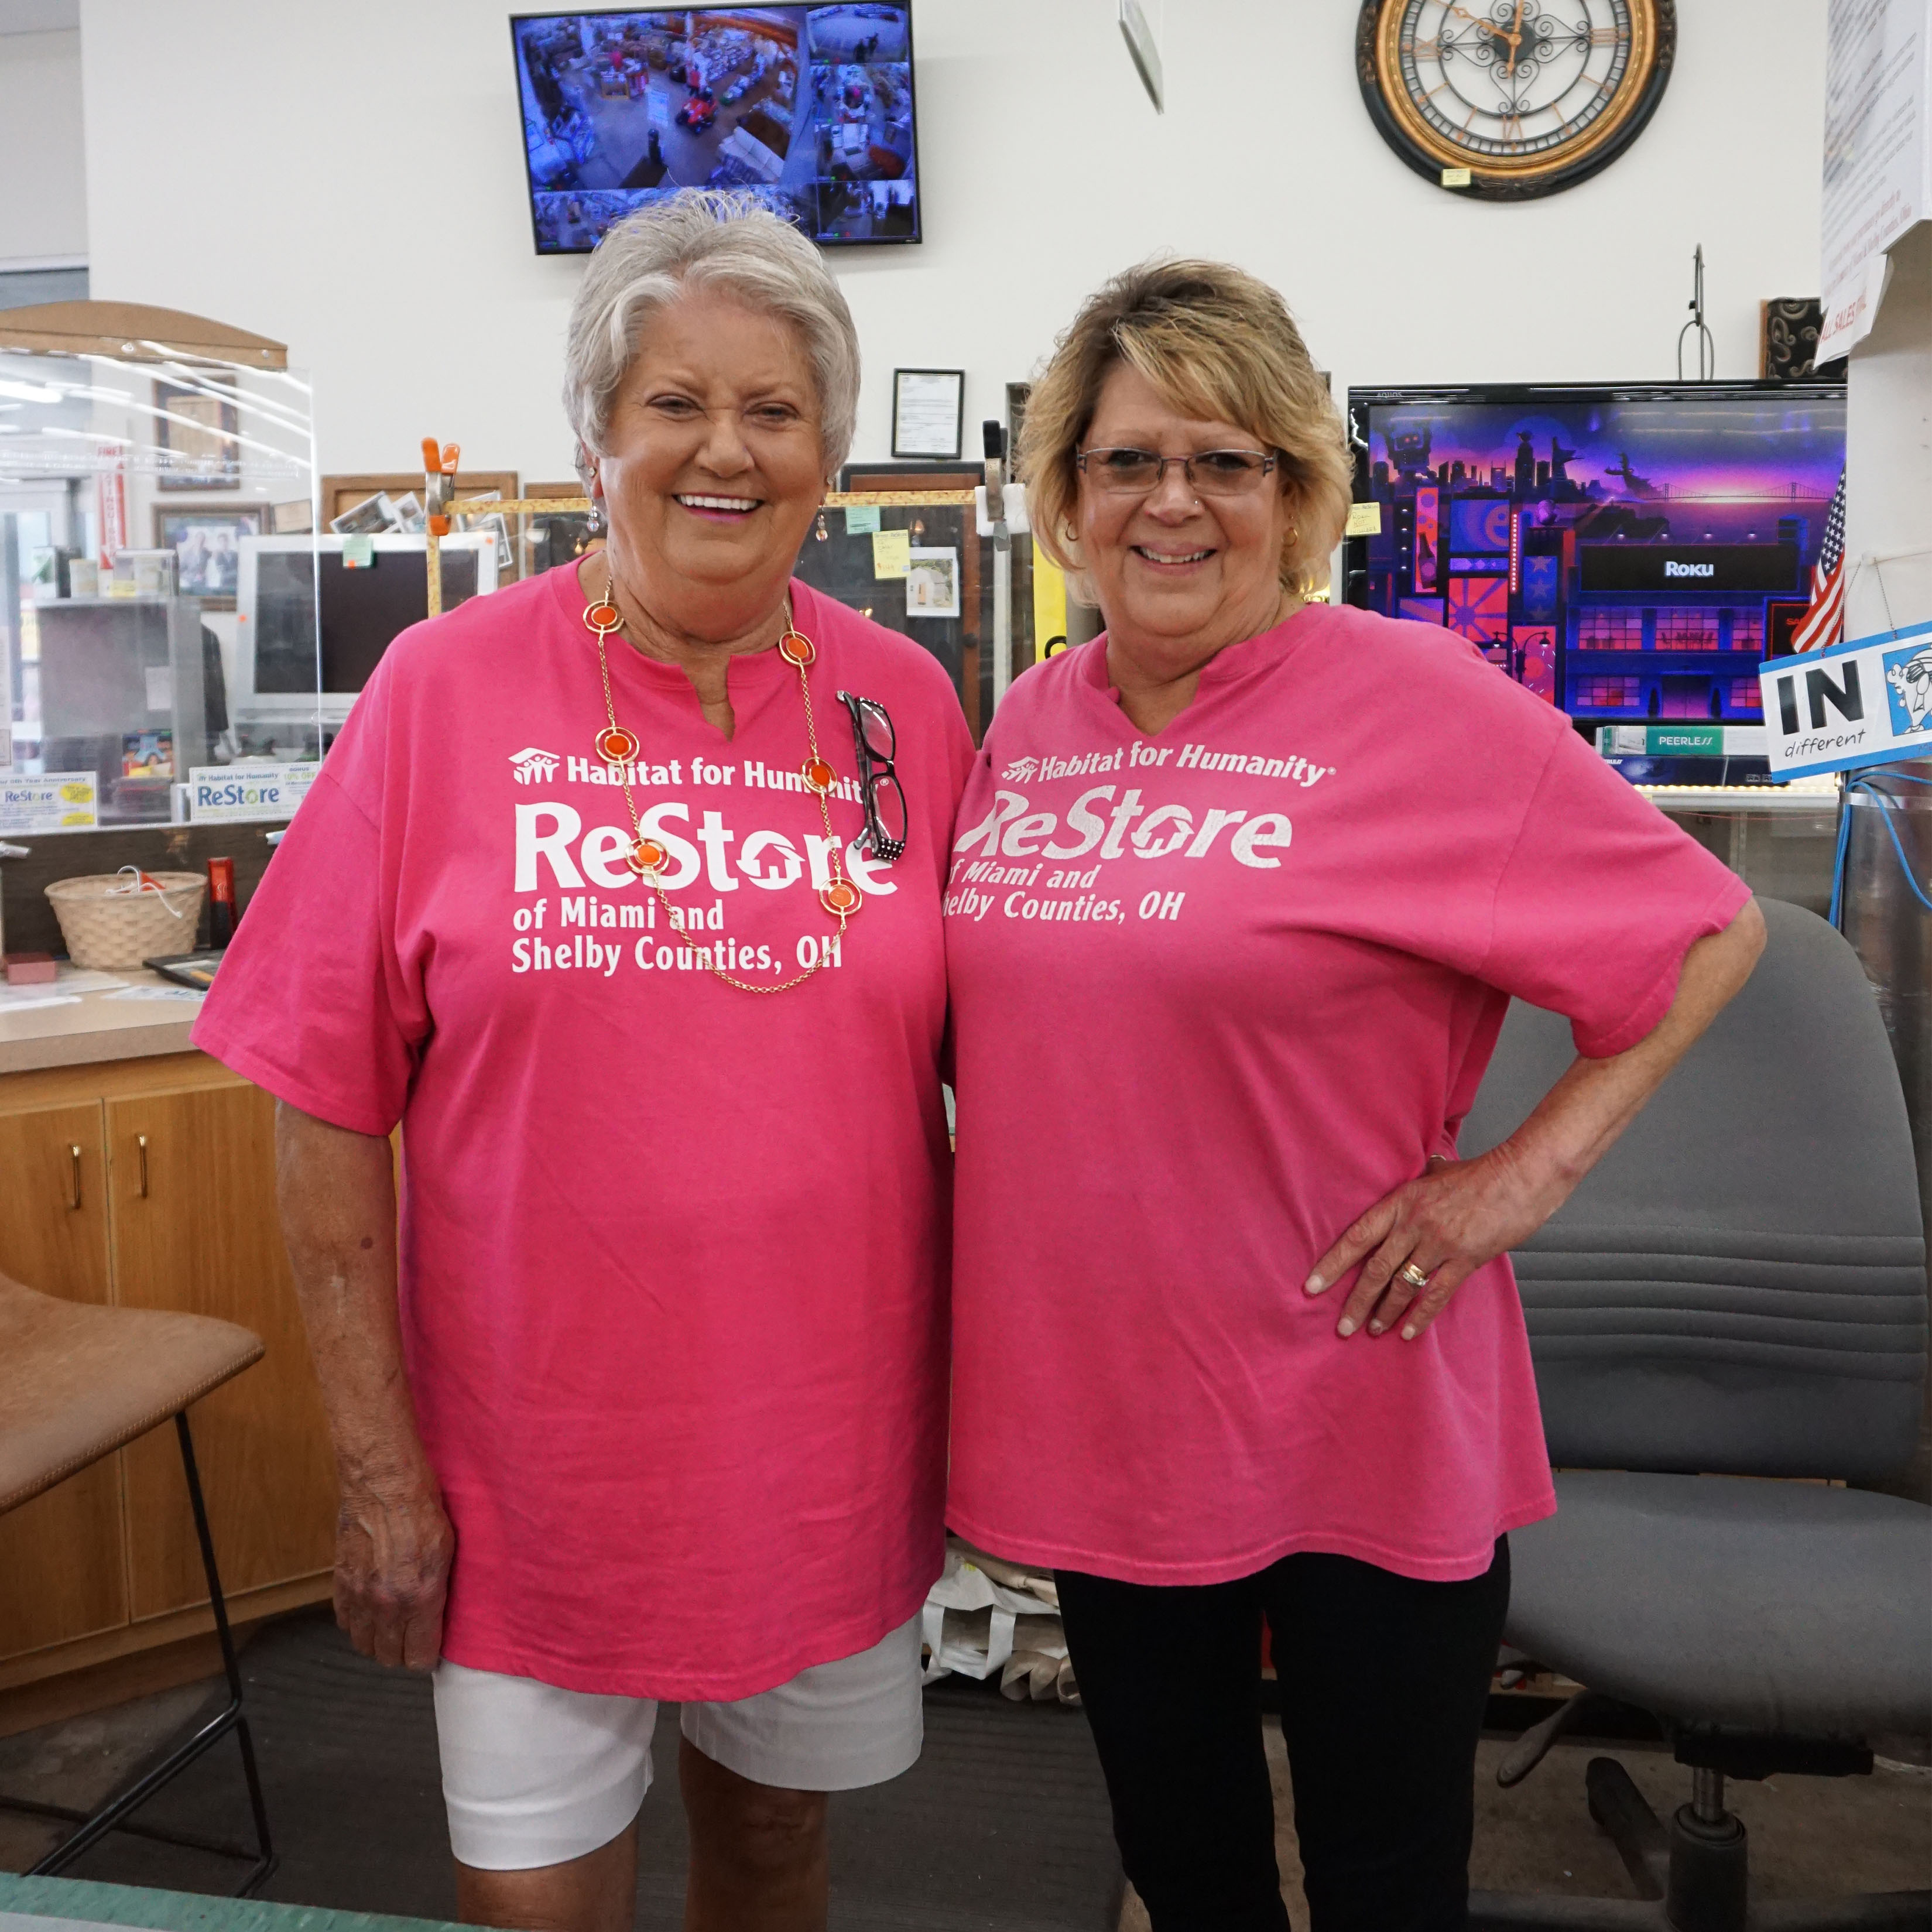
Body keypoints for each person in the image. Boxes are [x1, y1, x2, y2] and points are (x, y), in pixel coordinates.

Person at [942, 258, 1765, 1932]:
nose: (1172, 503)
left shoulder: (1419, 702)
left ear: (1297, 496)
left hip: (1357, 1399)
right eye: (1127, 461)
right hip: (1112, 1424)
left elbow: (1706, 931)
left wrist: (1514, 1181)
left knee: (1388, 1887)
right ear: (1066, 495)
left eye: (1225, 462)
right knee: (1186, 1873)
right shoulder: (1029, 722)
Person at [193, 190, 974, 1932]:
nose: (725, 449)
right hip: (534, 1466)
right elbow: (321, 1102)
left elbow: (1014, 1065)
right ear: (595, 438)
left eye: (773, 410)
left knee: (775, 1850)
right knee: (538, 1900)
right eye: (673, 404)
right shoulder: (439, 689)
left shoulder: (904, 707)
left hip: (821, 1442)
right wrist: (378, 1468)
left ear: (829, 453)